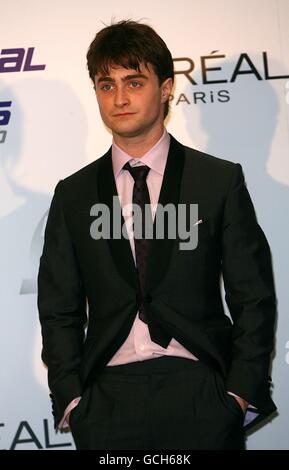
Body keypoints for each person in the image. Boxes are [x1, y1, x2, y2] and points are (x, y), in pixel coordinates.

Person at [37, 19, 277, 450]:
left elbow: (253, 296)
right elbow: (58, 305)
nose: (120, 97)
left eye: (134, 81)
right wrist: (73, 398)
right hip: (106, 398)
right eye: (106, 85)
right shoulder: (72, 194)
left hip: (201, 390)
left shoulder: (217, 181)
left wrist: (238, 393)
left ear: (166, 88)